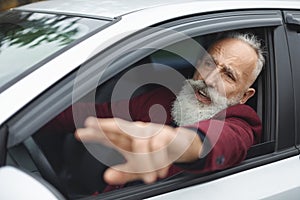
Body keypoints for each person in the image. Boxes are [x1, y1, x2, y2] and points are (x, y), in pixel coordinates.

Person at [43, 32, 264, 191]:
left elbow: (221, 141)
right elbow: (87, 113)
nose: (209, 79)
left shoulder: (242, 123)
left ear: (245, 96)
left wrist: (170, 142)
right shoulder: (161, 98)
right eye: (208, 64)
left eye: (229, 75)